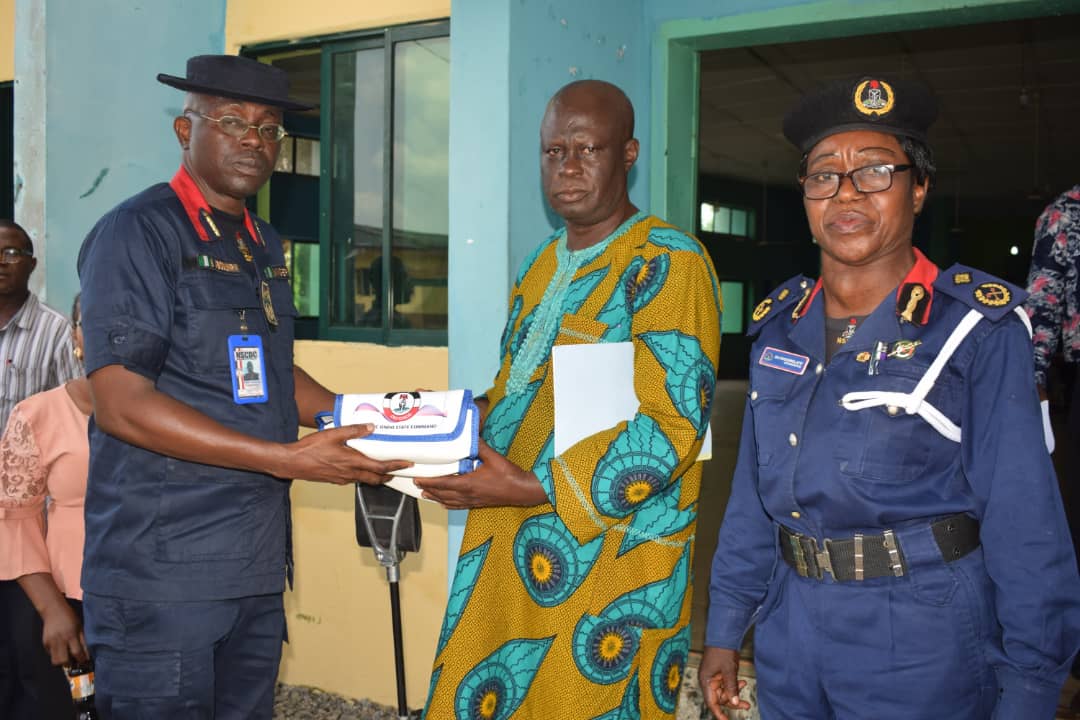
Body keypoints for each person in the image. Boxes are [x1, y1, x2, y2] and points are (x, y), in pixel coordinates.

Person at [700, 75, 1080, 720]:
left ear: (919, 187)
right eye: (824, 175)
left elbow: (1026, 526)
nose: (846, 192)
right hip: (791, 634)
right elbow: (750, 503)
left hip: (920, 640)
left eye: (875, 170)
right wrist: (724, 630)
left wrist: (1031, 689)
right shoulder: (780, 327)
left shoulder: (974, 330)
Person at [76, 55, 408, 718]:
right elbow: (121, 404)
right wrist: (285, 458)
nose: (253, 140)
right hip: (163, 575)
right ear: (185, 130)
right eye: (231, 122)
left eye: (268, 128)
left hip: (253, 567)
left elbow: (270, 374)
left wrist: (377, 421)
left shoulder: (261, 241)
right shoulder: (139, 232)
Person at [416, 80, 722, 719]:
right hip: (510, 539)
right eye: (554, 151)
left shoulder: (667, 262)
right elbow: (517, 389)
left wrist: (532, 487)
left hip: (613, 560)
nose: (569, 167)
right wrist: (433, 423)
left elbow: (673, 425)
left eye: (589, 149)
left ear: (628, 154)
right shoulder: (539, 264)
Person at [0, 220, 82, 719]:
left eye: (12, 252)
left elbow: (77, 413)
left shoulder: (57, 331)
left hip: (30, 520)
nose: (1, 261)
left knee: (25, 650)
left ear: (32, 263)